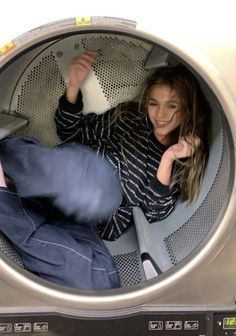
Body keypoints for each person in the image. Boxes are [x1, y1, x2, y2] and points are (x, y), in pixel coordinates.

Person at [55, 50, 211, 241]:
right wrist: (73, 85)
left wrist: (167, 158)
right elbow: (71, 133)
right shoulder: (129, 116)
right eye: (154, 104)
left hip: (92, 207)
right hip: (69, 168)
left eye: (172, 106)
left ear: (187, 109)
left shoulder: (181, 157)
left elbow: (153, 212)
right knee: (24, 153)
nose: (160, 115)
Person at [0, 137, 122, 290]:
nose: (159, 116)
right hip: (76, 178)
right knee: (102, 281)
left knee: (101, 282)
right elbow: (71, 128)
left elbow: (151, 208)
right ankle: (8, 154)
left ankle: (5, 183)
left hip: (71, 199)